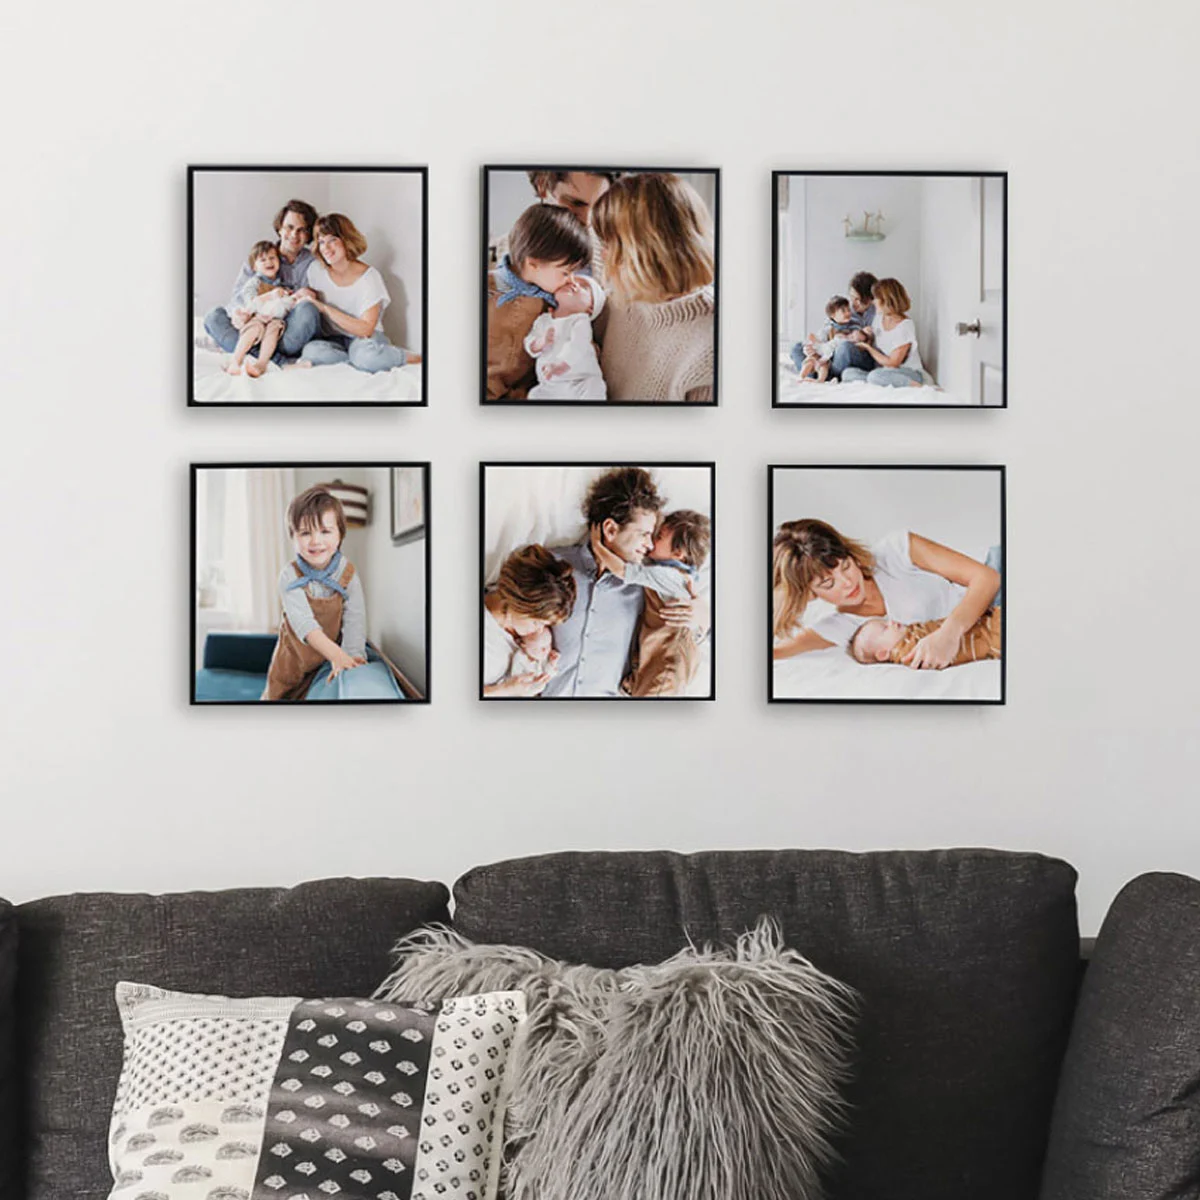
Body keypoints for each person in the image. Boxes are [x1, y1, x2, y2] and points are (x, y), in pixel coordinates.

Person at [543, 468, 704, 697]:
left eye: (653, 535)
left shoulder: (648, 588)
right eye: (644, 534)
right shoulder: (551, 563)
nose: (649, 546)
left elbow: (676, 639)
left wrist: (704, 618)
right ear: (610, 529)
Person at [772, 519, 1001, 669]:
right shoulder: (839, 626)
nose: (848, 582)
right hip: (991, 630)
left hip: (999, 576)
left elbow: (987, 578)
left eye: (845, 566)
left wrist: (949, 634)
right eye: (828, 584)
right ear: (810, 594)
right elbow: (773, 651)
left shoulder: (894, 551)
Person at [590, 174, 716, 402]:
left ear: (645, 249)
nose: (603, 254)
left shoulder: (708, 352)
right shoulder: (623, 299)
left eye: (610, 243)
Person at [591, 508, 711, 697]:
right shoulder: (678, 575)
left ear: (678, 553)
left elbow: (624, 571)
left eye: (659, 536)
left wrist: (598, 547)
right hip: (665, 654)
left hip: (670, 657)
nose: (651, 541)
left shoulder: (667, 575)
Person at [262, 487, 367, 701]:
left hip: (325, 664)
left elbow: (355, 619)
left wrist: (352, 657)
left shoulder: (348, 575)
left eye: (325, 531)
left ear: (340, 534)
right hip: (291, 664)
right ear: (293, 537)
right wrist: (337, 656)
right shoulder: (289, 576)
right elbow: (305, 625)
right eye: (305, 533)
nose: (315, 541)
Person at [485, 205, 592, 400]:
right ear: (533, 264)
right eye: (566, 272)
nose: (572, 280)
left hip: (524, 392)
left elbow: (572, 331)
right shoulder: (488, 286)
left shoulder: (553, 301)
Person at [293, 213, 421, 374]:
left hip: (365, 338)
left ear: (346, 240)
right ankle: (356, 361)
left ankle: (409, 357)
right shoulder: (315, 271)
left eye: (333, 240)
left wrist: (324, 308)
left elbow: (366, 329)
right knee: (311, 352)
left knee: (367, 357)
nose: (326, 247)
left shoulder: (369, 277)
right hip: (336, 340)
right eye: (321, 241)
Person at [203, 200, 321, 362]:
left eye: (302, 230)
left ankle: (252, 353)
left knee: (308, 309)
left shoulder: (314, 261)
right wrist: (239, 315)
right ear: (280, 228)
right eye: (290, 227)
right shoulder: (261, 257)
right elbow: (237, 299)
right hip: (254, 329)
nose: (294, 235)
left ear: (308, 235)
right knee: (213, 316)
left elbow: (315, 307)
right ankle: (276, 359)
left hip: (286, 334)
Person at [483, 544, 577, 697]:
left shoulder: (521, 626)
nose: (541, 630)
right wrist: (503, 691)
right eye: (537, 622)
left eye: (545, 624)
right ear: (519, 604)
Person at [523, 275, 607, 401]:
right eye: (570, 282)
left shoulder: (580, 320)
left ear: (590, 309)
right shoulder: (544, 319)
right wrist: (539, 343)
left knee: (595, 386)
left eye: (583, 287)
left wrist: (562, 365)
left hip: (579, 381)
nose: (574, 284)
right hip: (549, 385)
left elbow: (578, 345)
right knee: (534, 395)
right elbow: (529, 341)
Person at [223, 242, 296, 377]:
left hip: (274, 318)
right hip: (256, 316)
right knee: (253, 329)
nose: (269, 262)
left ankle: (261, 364)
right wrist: (270, 296)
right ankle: (235, 361)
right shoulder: (254, 282)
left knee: (273, 331)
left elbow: (286, 303)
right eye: (263, 260)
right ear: (254, 266)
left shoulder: (281, 283)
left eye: (272, 258)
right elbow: (250, 301)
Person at [789, 270, 878, 379]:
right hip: (831, 350)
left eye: (860, 300)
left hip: (856, 354)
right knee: (796, 347)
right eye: (852, 297)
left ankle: (826, 374)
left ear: (871, 299)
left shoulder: (878, 312)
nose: (854, 303)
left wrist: (866, 336)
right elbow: (827, 328)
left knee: (844, 346)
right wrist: (814, 348)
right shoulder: (843, 306)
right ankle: (815, 372)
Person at [841, 277, 925, 387]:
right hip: (884, 371)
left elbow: (893, 363)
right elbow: (874, 344)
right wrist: (865, 338)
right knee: (847, 373)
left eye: (876, 298)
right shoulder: (879, 318)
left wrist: (868, 348)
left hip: (908, 372)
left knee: (875, 376)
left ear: (886, 300)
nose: (873, 302)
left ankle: (914, 384)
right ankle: (879, 380)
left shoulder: (905, 325)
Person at [849, 608, 1002, 667]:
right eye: (884, 628)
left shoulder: (911, 631)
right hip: (990, 636)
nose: (891, 622)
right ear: (883, 654)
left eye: (886, 622)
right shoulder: (907, 654)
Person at [795, 295, 858, 383]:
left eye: (849, 310)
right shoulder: (828, 328)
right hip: (823, 356)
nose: (848, 313)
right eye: (843, 311)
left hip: (834, 363)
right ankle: (806, 375)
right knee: (797, 347)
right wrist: (812, 349)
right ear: (832, 315)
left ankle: (821, 377)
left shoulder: (853, 327)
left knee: (843, 347)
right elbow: (819, 342)